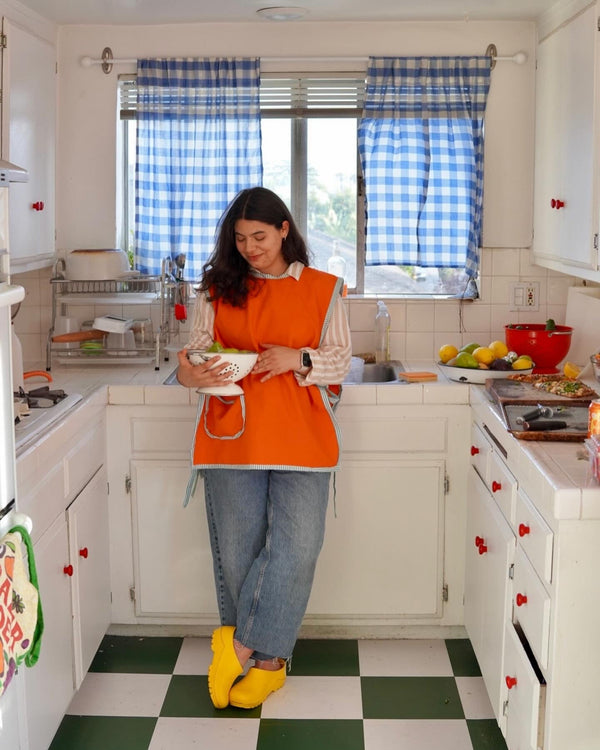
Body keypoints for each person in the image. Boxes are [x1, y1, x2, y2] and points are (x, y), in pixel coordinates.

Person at [176, 186, 352, 710]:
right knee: (239, 555)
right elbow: (194, 354)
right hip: (235, 433)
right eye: (240, 238)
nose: (251, 247)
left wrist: (297, 358)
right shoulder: (216, 287)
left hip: (302, 434)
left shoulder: (323, 288)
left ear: (283, 230)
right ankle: (268, 666)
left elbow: (340, 360)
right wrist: (191, 371)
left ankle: (244, 646)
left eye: (260, 236)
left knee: (297, 547)